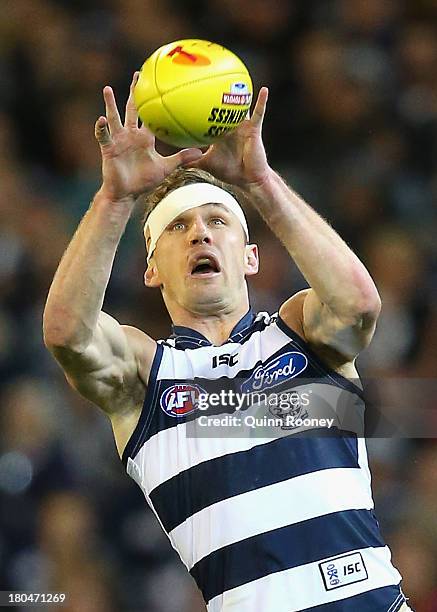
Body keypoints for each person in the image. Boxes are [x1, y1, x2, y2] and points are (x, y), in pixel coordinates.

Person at [43, 73, 412, 611]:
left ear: (250, 257)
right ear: (151, 270)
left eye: (218, 220)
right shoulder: (147, 376)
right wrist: (115, 198)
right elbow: (67, 335)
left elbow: (359, 306)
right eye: (177, 227)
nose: (200, 233)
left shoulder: (300, 333)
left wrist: (261, 184)